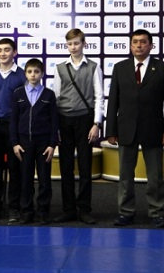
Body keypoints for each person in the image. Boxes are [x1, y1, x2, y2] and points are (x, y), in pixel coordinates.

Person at [105, 29, 164, 228]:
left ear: (151, 45)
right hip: (125, 129)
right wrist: (111, 130)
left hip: (153, 129)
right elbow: (113, 101)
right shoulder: (120, 68)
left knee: (155, 176)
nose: (139, 45)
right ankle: (125, 212)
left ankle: (156, 212)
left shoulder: (163, 69)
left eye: (143, 42)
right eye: (135, 42)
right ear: (130, 46)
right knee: (125, 175)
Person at [52, 28, 103, 224]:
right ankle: (68, 210)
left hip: (85, 121)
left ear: (84, 44)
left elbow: (99, 97)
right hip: (64, 121)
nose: (73, 47)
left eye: (76, 43)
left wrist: (96, 123)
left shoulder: (93, 67)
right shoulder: (59, 68)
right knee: (65, 167)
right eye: (70, 44)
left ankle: (84, 210)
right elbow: (56, 98)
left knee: (85, 167)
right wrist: (56, 127)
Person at [10, 58, 59, 224]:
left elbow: (54, 122)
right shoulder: (18, 94)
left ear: (42, 74)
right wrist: (15, 143)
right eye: (30, 71)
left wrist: (52, 144)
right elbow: (13, 120)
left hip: (44, 144)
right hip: (24, 143)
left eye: (36, 72)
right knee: (26, 179)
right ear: (25, 73)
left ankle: (43, 211)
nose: (33, 75)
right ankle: (26, 211)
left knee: (44, 179)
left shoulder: (49, 95)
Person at [0, 38, 26, 223]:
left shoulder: (22, 75)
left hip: (13, 126)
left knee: (14, 168)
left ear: (14, 52)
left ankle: (14, 208)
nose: (3, 53)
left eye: (7, 50)